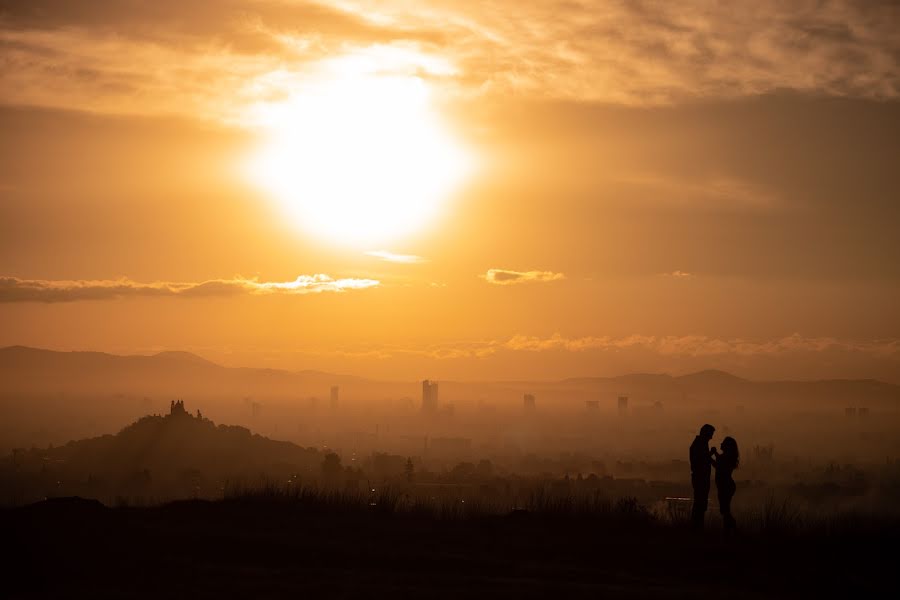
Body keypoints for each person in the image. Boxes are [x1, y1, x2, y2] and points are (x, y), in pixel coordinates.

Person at [689, 424, 715, 530]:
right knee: (700, 505)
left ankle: (697, 528)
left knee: (701, 505)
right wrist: (711, 454)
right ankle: (697, 528)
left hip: (701, 478)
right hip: (700, 479)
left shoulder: (700, 444)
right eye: (711, 434)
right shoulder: (700, 444)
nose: (711, 437)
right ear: (706, 433)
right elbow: (701, 460)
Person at [711, 436, 739, 533]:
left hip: (725, 487)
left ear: (727, 446)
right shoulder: (727, 457)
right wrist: (713, 454)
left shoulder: (726, 458)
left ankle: (732, 528)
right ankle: (728, 531)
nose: (721, 444)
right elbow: (719, 463)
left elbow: (718, 465)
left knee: (724, 511)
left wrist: (710, 456)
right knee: (725, 510)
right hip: (726, 486)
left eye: (723, 443)